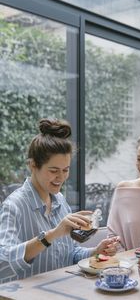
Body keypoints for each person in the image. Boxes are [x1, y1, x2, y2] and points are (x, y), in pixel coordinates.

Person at [0, 118, 119, 284]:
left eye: (65, 170)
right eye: (54, 170)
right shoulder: (14, 206)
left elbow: (70, 254)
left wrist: (96, 252)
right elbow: (3, 263)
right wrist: (52, 234)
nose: (61, 177)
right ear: (33, 165)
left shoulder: (60, 201)